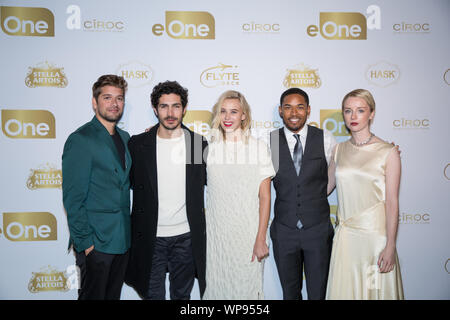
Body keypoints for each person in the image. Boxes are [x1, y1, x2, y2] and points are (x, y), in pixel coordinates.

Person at [125, 81, 207, 300]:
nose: (170, 113)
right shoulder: (138, 145)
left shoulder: (198, 145)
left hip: (186, 237)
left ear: (184, 108)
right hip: (151, 238)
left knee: (182, 297)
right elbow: (130, 183)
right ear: (155, 109)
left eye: (176, 106)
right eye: (164, 106)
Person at [325, 89, 404, 299]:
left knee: (374, 292)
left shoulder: (389, 152)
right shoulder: (338, 150)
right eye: (348, 111)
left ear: (372, 114)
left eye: (360, 110)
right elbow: (324, 187)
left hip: (374, 238)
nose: (353, 116)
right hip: (346, 239)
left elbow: (392, 204)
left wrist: (390, 245)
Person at [62, 74, 131, 300]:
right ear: (95, 102)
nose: (114, 104)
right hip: (96, 243)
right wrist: (86, 243)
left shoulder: (125, 137)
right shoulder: (81, 139)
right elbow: (73, 198)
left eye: (119, 98)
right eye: (107, 97)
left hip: (121, 241)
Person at [202, 90, 275, 300]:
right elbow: (178, 141)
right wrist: (156, 130)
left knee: (247, 292)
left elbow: (265, 197)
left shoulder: (258, 148)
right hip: (216, 239)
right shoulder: (208, 148)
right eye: (223, 111)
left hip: (248, 236)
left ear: (244, 115)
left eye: (234, 112)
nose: (227, 117)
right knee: (216, 291)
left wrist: (261, 238)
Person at [269, 88, 336, 300]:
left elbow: (344, 168)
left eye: (300, 107)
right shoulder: (269, 142)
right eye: (288, 107)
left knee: (318, 293)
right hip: (284, 231)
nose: (294, 113)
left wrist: (383, 151)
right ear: (280, 111)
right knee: (290, 294)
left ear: (308, 110)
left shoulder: (325, 139)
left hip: (317, 231)